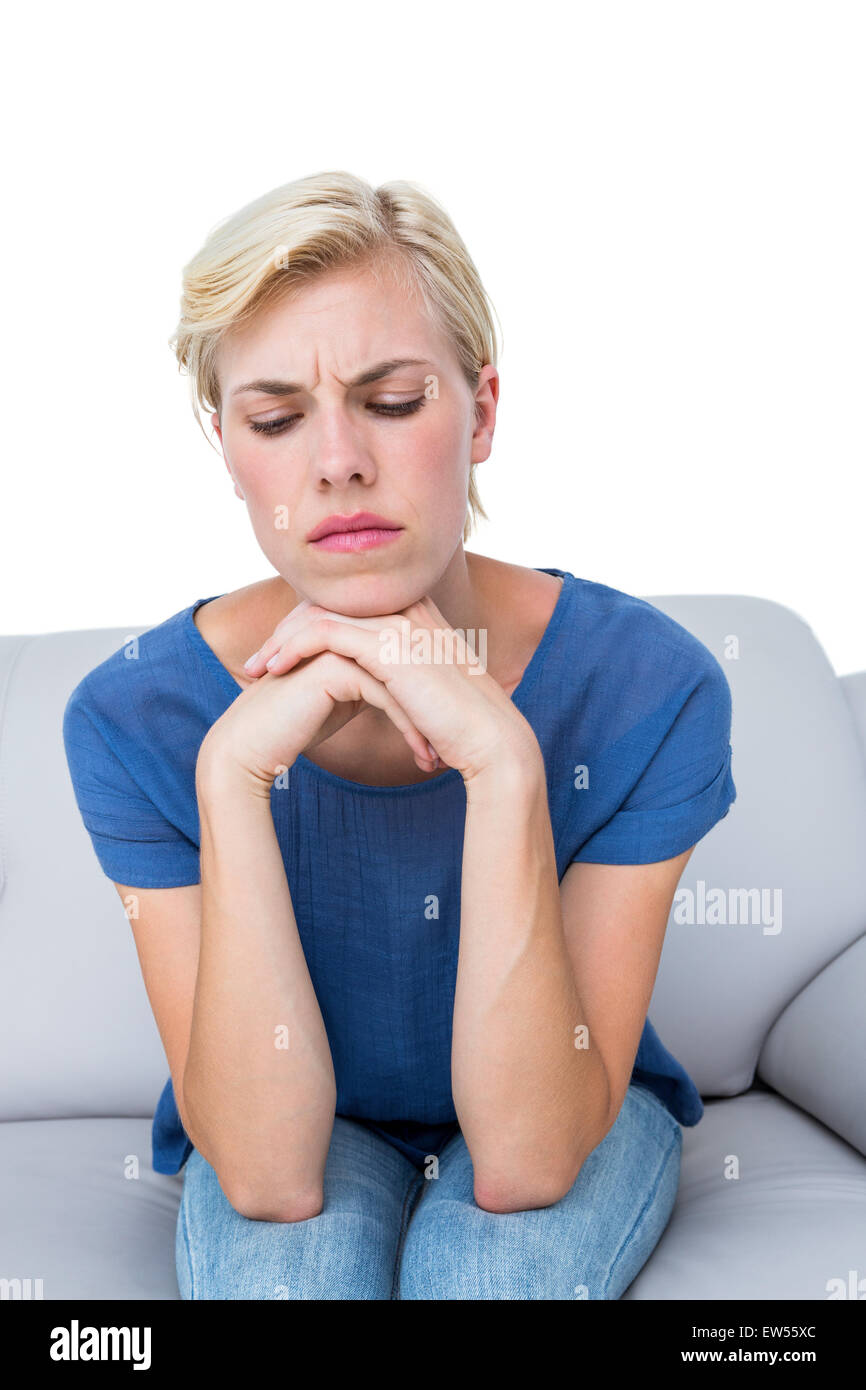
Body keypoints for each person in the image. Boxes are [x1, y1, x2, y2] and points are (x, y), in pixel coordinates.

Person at [62, 170, 737, 1300]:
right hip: (301, 1121)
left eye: (390, 400)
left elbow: (526, 1161)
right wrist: (230, 777)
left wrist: (504, 763)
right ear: (228, 449)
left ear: (479, 413)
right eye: (276, 418)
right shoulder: (136, 716)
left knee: (483, 1275)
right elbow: (272, 1178)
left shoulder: (649, 685)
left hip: (556, 1109)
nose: (338, 462)